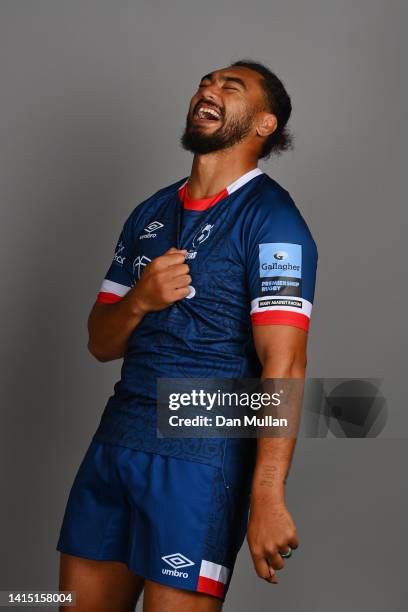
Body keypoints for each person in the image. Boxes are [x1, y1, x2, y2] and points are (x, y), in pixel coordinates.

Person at [56, 59, 318, 611]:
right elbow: (100, 343)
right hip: (115, 443)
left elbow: (285, 365)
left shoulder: (274, 221)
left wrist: (267, 494)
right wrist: (140, 300)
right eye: (206, 80)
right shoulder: (150, 212)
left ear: (264, 125)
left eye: (231, 86)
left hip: (197, 460)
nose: (209, 88)